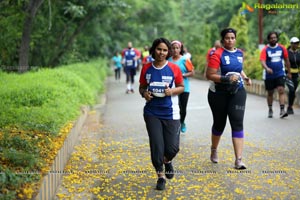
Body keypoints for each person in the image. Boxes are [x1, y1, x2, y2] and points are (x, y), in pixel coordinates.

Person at [139, 38, 184, 190]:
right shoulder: (146, 68)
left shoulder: (174, 68)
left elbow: (181, 87)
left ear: (168, 52)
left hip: (171, 113)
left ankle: (167, 161)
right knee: (157, 145)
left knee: (172, 148)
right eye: (159, 49)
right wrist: (144, 93)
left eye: (165, 50)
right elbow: (142, 87)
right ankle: (160, 176)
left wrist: (172, 91)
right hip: (152, 112)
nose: (161, 53)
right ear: (154, 50)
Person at [206, 28, 252, 170]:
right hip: (218, 94)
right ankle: (214, 149)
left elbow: (238, 69)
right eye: (227, 38)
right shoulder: (217, 54)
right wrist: (227, 79)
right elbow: (209, 75)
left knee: (237, 122)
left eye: (232, 38)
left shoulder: (239, 53)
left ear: (235, 39)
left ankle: (238, 160)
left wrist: (244, 77)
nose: (230, 40)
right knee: (219, 123)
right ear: (223, 40)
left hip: (237, 91)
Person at [260, 32, 291, 118]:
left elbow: (286, 60)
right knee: (270, 93)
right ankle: (270, 109)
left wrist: (289, 72)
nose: (273, 39)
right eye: (271, 38)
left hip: (280, 73)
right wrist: (267, 68)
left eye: (275, 38)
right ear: (269, 39)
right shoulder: (265, 49)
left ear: (277, 38)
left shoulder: (281, 48)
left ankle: (282, 110)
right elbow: (262, 61)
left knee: (281, 90)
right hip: (269, 75)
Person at [169, 40, 194, 133]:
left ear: (180, 49)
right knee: (174, 107)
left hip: (184, 87)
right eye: (173, 48)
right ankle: (175, 125)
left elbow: (192, 72)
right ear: (170, 49)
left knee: (182, 108)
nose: (175, 50)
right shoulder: (168, 60)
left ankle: (182, 122)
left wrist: (183, 75)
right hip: (173, 87)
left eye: (177, 48)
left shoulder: (185, 59)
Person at [287, 37, 300, 114]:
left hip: (296, 75)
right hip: (288, 74)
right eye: (294, 43)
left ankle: (290, 106)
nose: (296, 45)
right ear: (291, 44)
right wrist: (288, 73)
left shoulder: (298, 53)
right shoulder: (287, 53)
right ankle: (290, 106)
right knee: (291, 89)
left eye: (297, 43)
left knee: (293, 91)